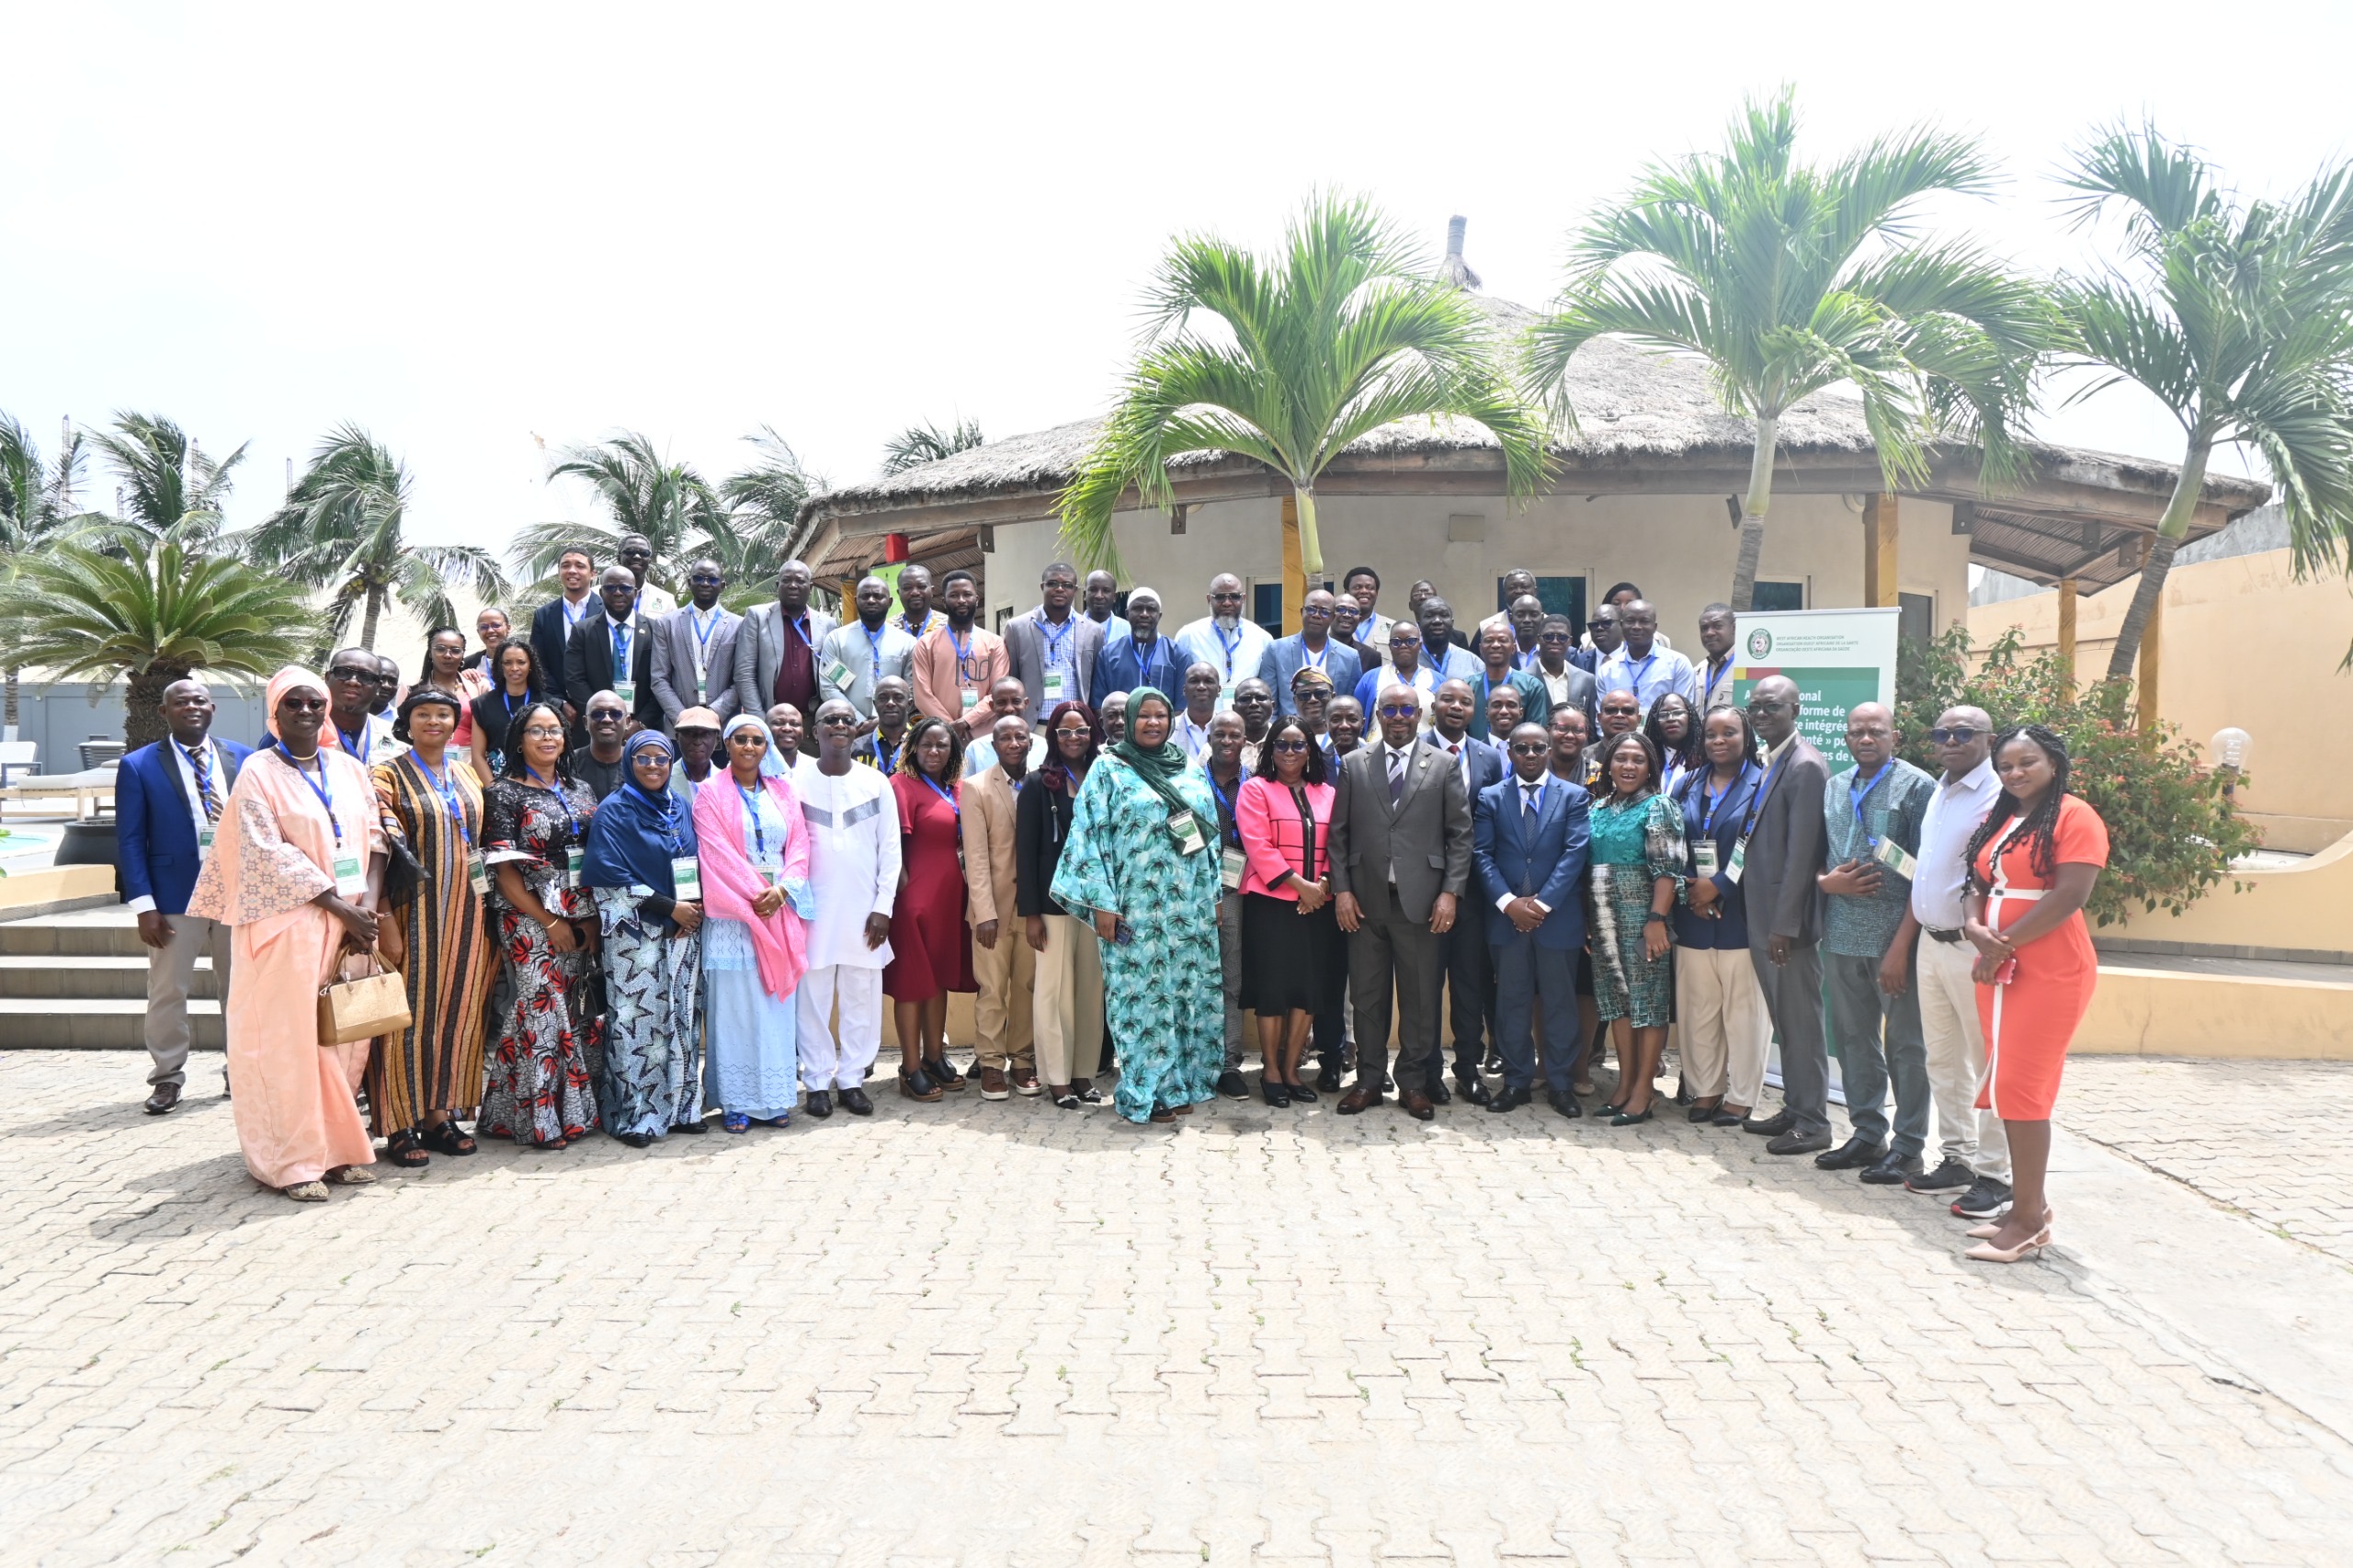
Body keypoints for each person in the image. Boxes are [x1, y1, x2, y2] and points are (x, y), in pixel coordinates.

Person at [184, 667, 383, 1200]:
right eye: (293, 703)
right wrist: (339, 905)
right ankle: (292, 1162)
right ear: (274, 712)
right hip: (288, 925)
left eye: (314, 702)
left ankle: (339, 1151)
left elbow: (377, 835)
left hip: (350, 923)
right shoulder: (257, 771)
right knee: (287, 1046)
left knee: (339, 1041)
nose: (306, 711)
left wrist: (365, 901)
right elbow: (265, 852)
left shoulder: (348, 768)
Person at [1961, 725, 2109, 1263]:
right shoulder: (2002, 817)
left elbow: (2071, 893)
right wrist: (1976, 928)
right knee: (2006, 1083)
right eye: (2006, 766)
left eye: (2028, 762)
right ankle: (2031, 1205)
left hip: (2049, 968)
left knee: (2024, 1089)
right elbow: (1977, 882)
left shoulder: (2075, 816)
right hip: (1999, 964)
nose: (2015, 773)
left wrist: (2000, 945)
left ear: (2053, 762)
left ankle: (2025, 1222)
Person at [1050, 687, 1224, 1124]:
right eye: (1143, 716)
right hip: (1134, 911)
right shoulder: (1108, 769)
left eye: (1160, 716)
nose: (1152, 723)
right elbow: (1087, 838)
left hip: (1188, 910)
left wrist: (1213, 896)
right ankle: (1142, 1090)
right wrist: (1102, 906)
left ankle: (1180, 1081)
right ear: (1128, 721)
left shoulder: (1187, 766)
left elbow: (1209, 837)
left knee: (1186, 994)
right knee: (1140, 1002)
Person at [1329, 682, 1472, 1120]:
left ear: (1420, 714)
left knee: (1420, 998)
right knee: (1368, 998)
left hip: (1423, 903)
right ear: (1377, 714)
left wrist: (1450, 893)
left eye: (1406, 709)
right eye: (1388, 709)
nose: (1397, 717)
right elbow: (1338, 837)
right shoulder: (1354, 764)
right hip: (1366, 902)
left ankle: (1412, 1082)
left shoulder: (1444, 764)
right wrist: (1342, 892)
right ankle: (1369, 1081)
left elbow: (1460, 837)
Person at [368, 687, 495, 1166]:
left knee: (457, 1016)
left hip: (468, 916)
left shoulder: (466, 774)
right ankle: (399, 1123)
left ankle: (439, 1115)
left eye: (444, 714)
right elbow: (378, 849)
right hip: (412, 915)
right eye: (424, 713)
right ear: (408, 720)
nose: (435, 722)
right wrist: (383, 919)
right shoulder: (386, 776)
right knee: (407, 1018)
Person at [1810, 703, 1938, 1183]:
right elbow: (1820, 858)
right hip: (1842, 934)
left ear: (1894, 736)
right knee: (1852, 1039)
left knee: (1906, 1045)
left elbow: (1926, 873)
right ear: (1845, 737)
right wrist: (1826, 883)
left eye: (1875, 731)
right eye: (1857, 731)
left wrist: (1902, 947)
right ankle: (1867, 1133)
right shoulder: (1835, 787)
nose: (1866, 738)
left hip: (1894, 942)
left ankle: (1908, 1146)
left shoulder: (1918, 786)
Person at [119, 677, 253, 1114]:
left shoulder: (243, 758)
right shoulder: (139, 766)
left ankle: (243, 1072)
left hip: (236, 895)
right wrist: (145, 906)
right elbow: (131, 841)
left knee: (242, 991)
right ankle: (167, 1078)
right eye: (181, 702)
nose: (191, 707)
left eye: (199, 700)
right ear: (164, 712)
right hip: (175, 899)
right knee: (167, 991)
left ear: (212, 708)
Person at [478, 700, 601, 1149]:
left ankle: (503, 1113)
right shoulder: (503, 793)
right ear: (518, 738)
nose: (547, 737)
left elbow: (590, 856)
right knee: (542, 1006)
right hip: (527, 915)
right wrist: (548, 921)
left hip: (575, 907)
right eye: (536, 730)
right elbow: (502, 869)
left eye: (554, 729)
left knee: (554, 1010)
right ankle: (547, 1122)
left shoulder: (580, 788)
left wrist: (584, 916)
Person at [1904, 706, 2012, 1212]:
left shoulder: (1999, 796)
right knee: (1941, 1058)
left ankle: (1996, 1173)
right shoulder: (1938, 791)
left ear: (1988, 740)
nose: (1950, 740)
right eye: (1942, 732)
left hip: (1974, 949)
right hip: (1931, 941)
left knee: (1986, 1062)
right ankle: (1957, 1157)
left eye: (1963, 733)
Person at [578, 731, 708, 1145]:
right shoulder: (614, 811)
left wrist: (690, 909)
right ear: (629, 763)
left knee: (683, 1018)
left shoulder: (680, 805)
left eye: (661, 759)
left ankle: (684, 1107)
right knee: (638, 1027)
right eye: (644, 759)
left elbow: (692, 862)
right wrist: (670, 908)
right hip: (637, 937)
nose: (653, 766)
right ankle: (637, 1115)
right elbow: (608, 879)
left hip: (683, 930)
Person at [693, 715, 813, 1131]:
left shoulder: (784, 790)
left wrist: (781, 892)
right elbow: (716, 853)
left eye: (757, 741)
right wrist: (755, 898)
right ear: (727, 744)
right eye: (740, 739)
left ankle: (775, 1098)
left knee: (774, 1008)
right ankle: (736, 1101)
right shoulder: (708, 793)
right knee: (735, 1011)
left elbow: (799, 845)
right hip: (735, 920)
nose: (748, 747)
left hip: (777, 911)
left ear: (767, 748)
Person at [1473, 722, 1591, 1117]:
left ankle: (1560, 1084)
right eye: (1520, 748)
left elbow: (1574, 854)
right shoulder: (1490, 797)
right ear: (1509, 752)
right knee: (1512, 1003)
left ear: (1549, 750)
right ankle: (1516, 1082)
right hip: (1506, 920)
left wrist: (1541, 906)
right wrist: (1509, 903)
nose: (1529, 755)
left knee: (1560, 1003)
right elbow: (1481, 855)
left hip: (1557, 921)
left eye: (1537, 748)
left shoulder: (1574, 796)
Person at [1738, 675, 1834, 1155]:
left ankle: (1814, 1122)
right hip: (1764, 916)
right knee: (1785, 1020)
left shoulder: (1805, 767)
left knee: (1802, 1024)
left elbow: (1802, 855)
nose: (1760, 714)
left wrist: (1784, 925)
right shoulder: (1774, 760)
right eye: (1754, 706)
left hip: (1785, 927)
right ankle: (1797, 1108)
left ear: (1796, 710)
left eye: (1771, 706)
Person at [795, 699, 901, 1119]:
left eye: (846, 720)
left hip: (865, 910)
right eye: (829, 720)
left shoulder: (877, 783)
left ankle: (852, 1079)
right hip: (813, 910)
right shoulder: (795, 782)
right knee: (813, 998)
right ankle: (818, 1081)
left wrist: (884, 907)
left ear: (856, 729)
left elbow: (891, 850)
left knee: (862, 997)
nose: (839, 725)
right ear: (815, 731)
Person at [1233, 713, 1346, 1106]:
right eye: (1282, 744)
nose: (1290, 751)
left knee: (1308, 989)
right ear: (1270, 749)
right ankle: (1270, 1069)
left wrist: (1324, 886)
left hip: (1319, 906)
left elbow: (1339, 843)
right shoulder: (1255, 790)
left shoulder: (1328, 793)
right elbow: (1257, 845)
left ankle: (1294, 1069)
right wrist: (1301, 886)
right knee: (1273, 989)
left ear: (1310, 750)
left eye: (1299, 744)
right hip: (1273, 905)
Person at [1673, 707, 1771, 1127]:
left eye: (1729, 732)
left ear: (1745, 737)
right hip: (1693, 915)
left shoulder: (1763, 784)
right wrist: (1692, 887)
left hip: (1741, 916)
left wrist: (1720, 887)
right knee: (1699, 1009)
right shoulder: (1687, 784)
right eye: (1711, 733)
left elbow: (1756, 845)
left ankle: (1742, 1094)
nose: (1719, 740)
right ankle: (1706, 1087)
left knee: (1744, 1012)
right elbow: (1669, 840)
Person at [1585, 733, 1687, 1124]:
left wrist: (1656, 920)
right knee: (1618, 1005)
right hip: (1603, 920)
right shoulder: (1599, 808)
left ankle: (1645, 1091)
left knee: (1648, 1003)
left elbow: (1667, 867)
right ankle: (1624, 1086)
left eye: (1638, 760)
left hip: (1644, 919)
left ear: (1650, 767)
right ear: (1608, 765)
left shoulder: (1659, 806)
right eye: (1621, 759)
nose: (1629, 766)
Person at [1019, 701, 1108, 1108]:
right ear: (1053, 737)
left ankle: (1083, 1074)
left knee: (1090, 993)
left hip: (1097, 907)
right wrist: (1031, 914)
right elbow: (1026, 851)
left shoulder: (1106, 779)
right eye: (1065, 732)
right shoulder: (1039, 784)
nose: (1074, 738)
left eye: (1082, 731)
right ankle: (1056, 1078)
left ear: (1093, 734)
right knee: (1054, 994)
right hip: (1053, 907)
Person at [886, 715, 977, 1100]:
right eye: (927, 745)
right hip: (914, 899)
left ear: (953, 750)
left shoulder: (957, 788)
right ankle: (909, 1068)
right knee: (911, 983)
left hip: (949, 897)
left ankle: (934, 1058)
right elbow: (892, 845)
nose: (934, 751)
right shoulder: (901, 785)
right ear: (913, 748)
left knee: (937, 978)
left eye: (942, 745)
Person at [1424, 679, 1504, 1104]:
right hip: (1424, 892)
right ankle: (1429, 1071)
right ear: (1433, 705)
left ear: (1475, 710)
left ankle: (1468, 1070)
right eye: (1448, 699)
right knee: (1427, 987)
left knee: (1470, 986)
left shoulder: (1489, 757)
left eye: (1465, 701)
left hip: (1474, 893)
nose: (1456, 706)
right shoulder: (1414, 748)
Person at [962, 713, 1040, 1099]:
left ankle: (1022, 1059)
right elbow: (975, 857)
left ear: (1030, 742)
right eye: (1005, 738)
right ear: (993, 746)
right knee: (992, 989)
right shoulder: (975, 788)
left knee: (1026, 986)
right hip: (991, 910)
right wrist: (985, 913)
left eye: (1020, 737)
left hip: (1031, 910)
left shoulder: (1042, 783)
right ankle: (991, 1063)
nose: (1013, 743)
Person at [1202, 710, 1253, 1099]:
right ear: (1208, 736)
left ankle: (1229, 1065)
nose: (1227, 739)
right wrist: (1208, 885)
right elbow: (1181, 830)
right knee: (1198, 980)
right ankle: (1197, 1062)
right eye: (1220, 733)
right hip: (1202, 892)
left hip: (1252, 889)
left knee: (1233, 980)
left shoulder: (1257, 782)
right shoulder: (1190, 782)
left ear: (1244, 738)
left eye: (1234, 733)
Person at [733, 561, 838, 744]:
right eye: (786, 580)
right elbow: (744, 674)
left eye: (800, 581)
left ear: (810, 587)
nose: (793, 585)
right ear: (777, 585)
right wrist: (760, 721)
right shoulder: (757, 617)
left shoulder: (827, 624)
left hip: (811, 725)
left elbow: (835, 673)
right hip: (769, 723)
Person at [911, 569, 1009, 748]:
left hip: (985, 736)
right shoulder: (926, 644)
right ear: (944, 602)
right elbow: (922, 696)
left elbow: (998, 694)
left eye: (967, 594)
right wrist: (949, 728)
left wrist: (966, 722)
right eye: (954, 595)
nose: (961, 600)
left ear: (977, 599)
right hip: (941, 739)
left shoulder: (995, 643)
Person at [564, 565, 662, 743]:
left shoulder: (654, 629)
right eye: (610, 588)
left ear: (635, 592)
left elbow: (662, 680)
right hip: (596, 730)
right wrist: (601, 717)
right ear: (601, 593)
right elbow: (574, 679)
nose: (618, 593)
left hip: (644, 731)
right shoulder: (582, 631)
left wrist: (641, 722)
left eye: (625, 588)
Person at [1005, 561, 1108, 723]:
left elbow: (1097, 681)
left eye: (1067, 585)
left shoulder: (1094, 631)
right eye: (1052, 583)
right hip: (1034, 724)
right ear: (1042, 587)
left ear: (1075, 590)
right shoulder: (1017, 628)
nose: (1060, 589)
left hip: (1077, 725)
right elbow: (1012, 678)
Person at [651, 556, 743, 727]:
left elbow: (741, 679)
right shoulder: (667, 623)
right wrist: (682, 716)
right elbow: (659, 678)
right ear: (688, 582)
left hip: (723, 725)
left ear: (722, 585)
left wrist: (715, 713)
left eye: (712, 579)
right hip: (678, 724)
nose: (705, 583)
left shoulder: (739, 625)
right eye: (698, 578)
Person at [818, 574, 920, 722]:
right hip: (849, 728)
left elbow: (910, 690)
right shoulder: (837, 640)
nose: (871, 600)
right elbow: (828, 688)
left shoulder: (907, 642)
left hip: (894, 729)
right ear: (855, 601)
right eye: (865, 596)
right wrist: (858, 721)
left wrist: (887, 723)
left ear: (890, 602)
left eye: (878, 596)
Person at [1172, 573, 1273, 703]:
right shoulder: (1188, 636)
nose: (1227, 603)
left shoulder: (1262, 638)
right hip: (1204, 719)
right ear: (1209, 600)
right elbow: (1179, 686)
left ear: (1243, 599)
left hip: (1247, 719)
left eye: (1234, 597)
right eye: (1220, 597)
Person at [1597, 600, 1699, 719]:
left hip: (1663, 737)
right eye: (1630, 621)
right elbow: (1602, 720)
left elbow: (1682, 715)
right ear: (1621, 625)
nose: (1636, 627)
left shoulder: (1678, 664)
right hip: (1620, 737)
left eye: (1644, 621)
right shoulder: (1607, 671)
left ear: (1655, 627)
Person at [1269, 588, 1362, 719]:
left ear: (1333, 618)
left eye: (1324, 612)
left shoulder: (1350, 657)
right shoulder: (1275, 649)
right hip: (1289, 733)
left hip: (1331, 735)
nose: (1316, 615)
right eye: (1311, 609)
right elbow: (1270, 705)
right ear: (1302, 612)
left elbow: (1352, 706)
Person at [529, 546, 599, 714]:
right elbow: (538, 663)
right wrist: (558, 702)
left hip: (600, 707)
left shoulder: (606, 611)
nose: (572, 570)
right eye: (565, 565)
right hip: (559, 710)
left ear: (593, 574)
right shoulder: (543, 615)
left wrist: (595, 704)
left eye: (580, 566)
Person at [1089, 585, 1181, 710]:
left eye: (1151, 609)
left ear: (1159, 616)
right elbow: (1099, 705)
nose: (1144, 614)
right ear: (1127, 614)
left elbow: (1182, 706)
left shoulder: (1177, 654)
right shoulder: (1108, 655)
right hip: (1120, 728)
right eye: (1138, 608)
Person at [469, 639, 540, 785]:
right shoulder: (483, 705)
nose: (514, 668)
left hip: (540, 783)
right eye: (507, 663)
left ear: (530, 665)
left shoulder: (547, 704)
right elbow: (477, 755)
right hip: (497, 783)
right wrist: (494, 792)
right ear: (500, 666)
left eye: (521, 662)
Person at [415, 628, 492, 756]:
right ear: (430, 652)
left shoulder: (479, 686)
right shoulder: (412, 688)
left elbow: (489, 729)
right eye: (440, 649)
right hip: (423, 762)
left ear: (463, 654)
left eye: (455, 651)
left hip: (470, 765)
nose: (447, 655)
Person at [1469, 623, 1547, 744]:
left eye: (1502, 640)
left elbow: (1536, 732)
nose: (1495, 645)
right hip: (1474, 758)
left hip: (1518, 758)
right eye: (1489, 640)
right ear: (1480, 648)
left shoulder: (1532, 686)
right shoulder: (1468, 686)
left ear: (1513, 648)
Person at [324, 648, 403, 766]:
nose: (353, 682)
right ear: (327, 677)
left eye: (366, 676)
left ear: (378, 687)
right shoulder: (301, 732)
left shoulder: (396, 738)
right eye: (343, 672)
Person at [1352, 619, 1438, 726]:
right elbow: (1356, 721)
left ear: (1419, 645)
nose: (1403, 646)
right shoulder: (1370, 679)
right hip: (1378, 742)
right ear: (1390, 646)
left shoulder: (1437, 681)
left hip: (1425, 743)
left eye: (1410, 641)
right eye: (1396, 642)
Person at [961, 677, 1045, 778]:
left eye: (1016, 701)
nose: (1009, 708)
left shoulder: (1043, 746)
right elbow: (966, 788)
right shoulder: (976, 749)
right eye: (1001, 702)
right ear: (992, 706)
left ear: (1026, 703)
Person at [1532, 614, 1598, 727]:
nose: (1555, 641)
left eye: (1562, 637)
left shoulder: (1587, 680)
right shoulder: (1523, 678)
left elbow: (1590, 728)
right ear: (1538, 639)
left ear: (1570, 641)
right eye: (1548, 636)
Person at [572, 691, 633, 801]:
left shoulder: (638, 764)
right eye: (597, 714)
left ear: (627, 722)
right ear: (586, 722)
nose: (607, 719)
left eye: (615, 714)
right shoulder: (568, 764)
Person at [1643, 691, 1703, 797]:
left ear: (1690, 717)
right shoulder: (1646, 760)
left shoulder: (1703, 760)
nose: (1671, 719)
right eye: (1663, 715)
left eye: (1678, 713)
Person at [853, 676, 915, 773]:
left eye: (898, 698)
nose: (890, 703)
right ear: (875, 704)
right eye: (883, 698)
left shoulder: (921, 745)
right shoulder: (856, 749)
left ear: (909, 704)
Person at [1583, 688, 1643, 788]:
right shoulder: (1582, 758)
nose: (1619, 715)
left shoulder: (1649, 758)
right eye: (1611, 710)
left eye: (1627, 711)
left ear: (1639, 719)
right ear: (1599, 717)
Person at [1415, 598, 1483, 686]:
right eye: (1429, 616)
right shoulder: (1409, 661)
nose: (1437, 621)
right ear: (1419, 624)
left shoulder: (1473, 662)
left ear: (1452, 623)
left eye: (1444, 615)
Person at [1593, 581, 1673, 651]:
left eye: (1629, 603)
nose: (1622, 608)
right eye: (1616, 603)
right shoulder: (1589, 641)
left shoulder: (1660, 640)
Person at [669, 707, 724, 806]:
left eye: (706, 734)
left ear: (717, 740)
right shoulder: (664, 779)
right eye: (690, 734)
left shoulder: (727, 781)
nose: (697, 742)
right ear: (677, 738)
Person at [1170, 663, 1222, 767]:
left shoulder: (1228, 730)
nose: (1201, 687)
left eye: (1208, 681)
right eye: (1194, 681)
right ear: (1184, 690)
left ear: (1219, 690)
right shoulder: (1168, 729)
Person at [615, 531, 677, 619]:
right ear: (618, 558)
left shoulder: (666, 600)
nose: (637, 556)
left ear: (649, 561)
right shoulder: (597, 596)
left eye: (644, 553)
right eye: (630, 552)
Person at [1342, 566, 1392, 662]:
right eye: (1357, 587)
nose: (1364, 591)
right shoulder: (1331, 629)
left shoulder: (1393, 628)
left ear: (1376, 593)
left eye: (1370, 588)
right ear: (1347, 593)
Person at [1696, 604, 1739, 712]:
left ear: (1734, 628)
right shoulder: (1698, 671)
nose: (1709, 633)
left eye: (1717, 626)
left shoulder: (1746, 668)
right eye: (1704, 628)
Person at [890, 562, 948, 642]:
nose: (915, 592)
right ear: (899, 593)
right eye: (907, 588)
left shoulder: (948, 625)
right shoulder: (888, 628)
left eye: (921, 586)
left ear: (932, 591)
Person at [1475, 570, 1540, 640]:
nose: (1518, 591)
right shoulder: (1487, 625)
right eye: (1512, 588)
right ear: (1504, 594)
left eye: (1524, 586)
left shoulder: (1549, 625)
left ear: (1535, 591)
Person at [1231, 678, 1276, 772]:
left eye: (1261, 698)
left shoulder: (1286, 742)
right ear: (1234, 709)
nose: (1254, 704)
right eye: (1245, 699)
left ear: (1273, 706)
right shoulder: (1217, 746)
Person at [471, 607, 512, 681]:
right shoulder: (469, 664)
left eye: (496, 625)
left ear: (508, 628)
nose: (490, 631)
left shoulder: (523, 661)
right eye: (484, 627)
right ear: (478, 632)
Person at [1324, 694, 1365, 763]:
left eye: (1352, 720)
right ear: (1326, 725)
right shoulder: (1318, 762)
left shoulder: (1377, 758)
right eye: (1336, 720)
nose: (1344, 726)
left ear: (1363, 724)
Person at [1582, 604, 1624, 669]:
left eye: (1606, 623)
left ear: (1621, 625)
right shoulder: (1579, 661)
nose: (1599, 628)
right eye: (1594, 625)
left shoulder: (1637, 658)